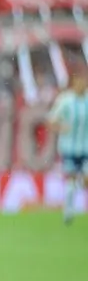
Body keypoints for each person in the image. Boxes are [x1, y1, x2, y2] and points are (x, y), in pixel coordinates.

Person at [48, 72, 88, 225]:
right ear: (73, 83)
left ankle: (75, 186)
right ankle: (69, 209)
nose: (82, 84)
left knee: (84, 180)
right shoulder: (66, 100)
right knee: (71, 177)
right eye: (79, 81)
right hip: (69, 148)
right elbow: (51, 121)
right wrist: (61, 127)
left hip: (86, 148)